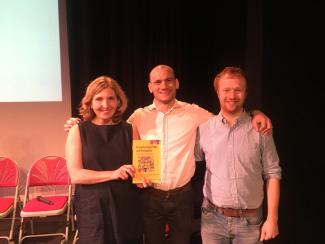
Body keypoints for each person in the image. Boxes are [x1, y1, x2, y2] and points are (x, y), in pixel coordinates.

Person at [64, 65, 272, 244]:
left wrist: (254, 113)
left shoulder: (194, 113)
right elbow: (108, 134)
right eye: (157, 82)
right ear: (150, 87)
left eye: (168, 80)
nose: (163, 86)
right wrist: (77, 124)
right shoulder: (137, 117)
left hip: (181, 195)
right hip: (148, 195)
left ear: (177, 83)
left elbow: (226, 117)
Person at [196, 66, 281, 244]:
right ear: (217, 92)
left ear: (246, 92)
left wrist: (272, 219)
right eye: (226, 90)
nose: (232, 96)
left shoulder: (261, 128)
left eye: (238, 90)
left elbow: (273, 173)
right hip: (212, 221)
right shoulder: (204, 129)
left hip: (250, 223)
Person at [65, 76, 143, 244]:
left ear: (118, 101)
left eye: (110, 98)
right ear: (90, 103)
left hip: (126, 203)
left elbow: (140, 169)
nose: (105, 105)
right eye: (99, 99)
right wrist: (114, 173)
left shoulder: (130, 129)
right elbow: (76, 175)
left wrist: (144, 178)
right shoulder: (78, 130)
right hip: (92, 206)